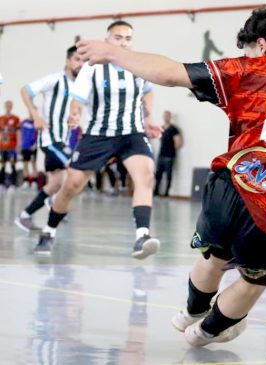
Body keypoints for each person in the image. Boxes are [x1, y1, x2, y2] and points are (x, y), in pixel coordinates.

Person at [76, 5, 266, 347]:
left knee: (214, 257)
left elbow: (169, 73)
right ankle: (205, 332)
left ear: (262, 45)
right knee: (255, 280)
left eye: (248, 49)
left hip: (228, 189)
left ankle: (189, 313)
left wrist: (113, 53)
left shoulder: (248, 69)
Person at [33, 21, 163, 257]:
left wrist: (148, 118)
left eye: (128, 38)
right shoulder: (92, 68)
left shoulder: (139, 66)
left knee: (145, 175)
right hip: (99, 135)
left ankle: (142, 235)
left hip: (132, 133)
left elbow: (148, 92)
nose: (124, 42)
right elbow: (77, 99)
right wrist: (75, 114)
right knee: (71, 186)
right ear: (107, 41)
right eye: (118, 37)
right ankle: (48, 231)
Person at [14, 46, 83, 233]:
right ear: (68, 61)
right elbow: (25, 91)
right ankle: (55, 202)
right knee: (79, 168)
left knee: (55, 183)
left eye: (83, 61)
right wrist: (35, 115)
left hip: (64, 140)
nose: (80, 64)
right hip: (51, 139)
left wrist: (76, 118)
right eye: (77, 59)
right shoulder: (55, 79)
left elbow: (77, 108)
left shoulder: (80, 85)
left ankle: (25, 216)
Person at [154, 110, 182, 197]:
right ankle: (156, 191)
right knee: (158, 174)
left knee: (168, 175)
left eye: (167, 116)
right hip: (161, 155)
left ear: (170, 117)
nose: (166, 117)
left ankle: (166, 192)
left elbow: (178, 142)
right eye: (164, 116)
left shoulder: (174, 129)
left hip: (169, 156)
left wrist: (172, 151)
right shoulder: (161, 128)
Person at [0, 100, 20, 189]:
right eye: (7, 106)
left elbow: (19, 132)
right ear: (5, 107)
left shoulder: (16, 119)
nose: (8, 108)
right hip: (2, 146)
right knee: (2, 164)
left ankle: (13, 184)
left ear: (11, 107)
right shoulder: (1, 118)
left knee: (13, 164)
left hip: (12, 146)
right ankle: (2, 183)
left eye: (10, 106)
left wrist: (18, 144)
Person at [19, 118, 38, 189]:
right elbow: (20, 132)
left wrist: (35, 144)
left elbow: (39, 133)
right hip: (25, 147)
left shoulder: (37, 121)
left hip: (33, 147)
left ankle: (34, 182)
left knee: (33, 163)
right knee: (25, 164)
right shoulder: (24, 122)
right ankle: (26, 181)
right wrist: (20, 144)